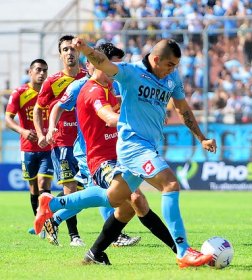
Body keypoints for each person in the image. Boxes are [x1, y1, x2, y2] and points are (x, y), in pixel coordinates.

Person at [35, 38, 217, 268]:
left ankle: (52, 206)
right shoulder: (131, 73)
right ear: (156, 59)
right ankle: (182, 250)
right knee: (170, 184)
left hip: (146, 146)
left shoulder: (171, 78)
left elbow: (182, 109)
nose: (173, 70)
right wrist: (86, 50)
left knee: (114, 199)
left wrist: (201, 138)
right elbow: (104, 63)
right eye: (170, 65)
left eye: (176, 66)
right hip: (132, 146)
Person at [45, 43, 173, 250]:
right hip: (89, 153)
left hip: (116, 154)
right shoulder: (84, 87)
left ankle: (58, 220)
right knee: (119, 197)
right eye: (110, 64)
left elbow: (121, 105)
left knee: (117, 198)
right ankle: (61, 215)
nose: (113, 70)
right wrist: (51, 129)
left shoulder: (110, 86)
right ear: (93, 64)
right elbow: (60, 106)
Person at [33, 35, 86, 246]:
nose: (70, 53)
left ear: (79, 52)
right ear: (60, 54)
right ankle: (75, 236)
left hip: (85, 143)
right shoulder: (53, 81)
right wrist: (41, 134)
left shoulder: (88, 77)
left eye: (73, 49)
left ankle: (49, 208)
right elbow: (38, 109)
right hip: (62, 142)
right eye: (65, 49)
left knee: (86, 189)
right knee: (71, 189)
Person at [5, 59, 53, 236]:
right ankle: (39, 223)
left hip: (47, 147)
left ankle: (49, 226)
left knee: (44, 184)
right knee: (33, 187)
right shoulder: (19, 93)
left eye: (45, 71)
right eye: (38, 70)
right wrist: (22, 131)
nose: (42, 74)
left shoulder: (50, 92)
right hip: (27, 148)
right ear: (29, 72)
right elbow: (8, 119)